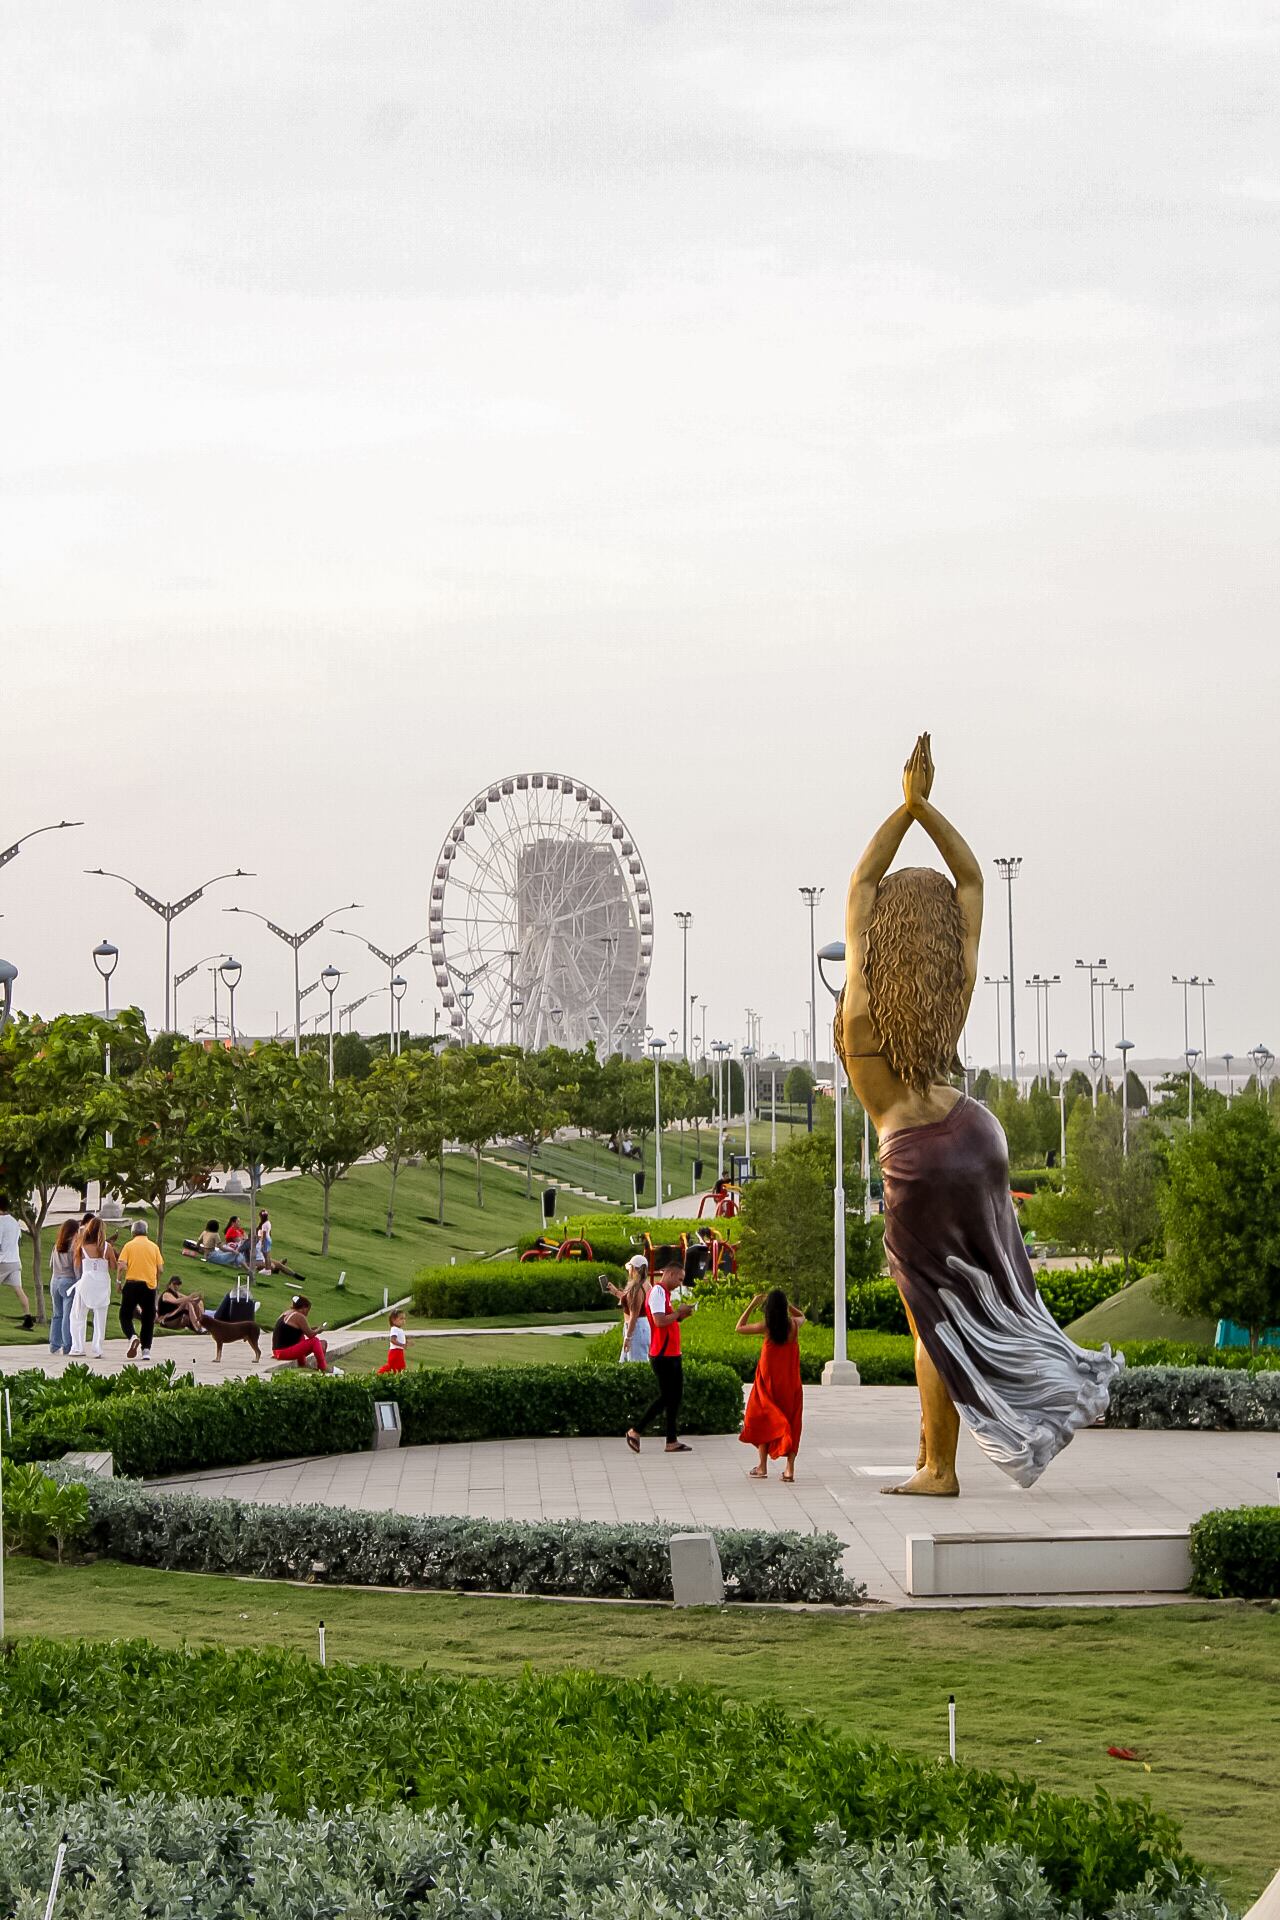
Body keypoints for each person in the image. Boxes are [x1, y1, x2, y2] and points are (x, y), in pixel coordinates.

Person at [838, 733, 1121, 1495]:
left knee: (934, 1318)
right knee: (994, 1297)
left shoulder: (865, 1028)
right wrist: (925, 806)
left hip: (917, 1154)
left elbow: (863, 881)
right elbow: (969, 879)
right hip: (973, 1128)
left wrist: (901, 809)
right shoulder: (949, 994)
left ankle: (938, 1467)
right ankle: (1024, 1387)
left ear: (879, 941)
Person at [625, 1246, 694, 1454]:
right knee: (667, 1396)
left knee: (674, 1396)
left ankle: (671, 1440)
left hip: (672, 1352)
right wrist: (677, 1314)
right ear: (670, 1274)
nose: (680, 1283)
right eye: (680, 1279)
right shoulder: (657, 1292)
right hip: (663, 1354)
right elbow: (659, 1320)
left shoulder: (664, 1294)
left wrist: (681, 1315)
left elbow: (668, 1320)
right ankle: (635, 1430)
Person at [736, 1289, 806, 1482]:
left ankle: (762, 1466)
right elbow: (802, 1316)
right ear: (784, 1308)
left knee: (762, 1419)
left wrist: (753, 1303)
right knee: (792, 1422)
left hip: (767, 1384)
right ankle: (789, 1469)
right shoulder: (794, 1325)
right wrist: (788, 1304)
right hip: (790, 1384)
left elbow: (739, 1327)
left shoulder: (766, 1326)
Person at [115, 1218, 164, 1361]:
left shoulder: (129, 1246)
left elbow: (122, 1265)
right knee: (148, 1318)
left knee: (125, 1314)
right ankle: (146, 1350)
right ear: (146, 1232)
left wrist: (118, 1281)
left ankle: (132, 1336)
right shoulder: (154, 1247)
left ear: (133, 1232)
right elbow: (160, 1269)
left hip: (131, 1284)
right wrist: (155, 1281)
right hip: (149, 1286)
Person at [69, 1215, 117, 1358]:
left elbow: (77, 1264)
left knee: (78, 1315)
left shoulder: (82, 1246)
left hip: (86, 1281)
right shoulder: (107, 1247)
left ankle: (78, 1347)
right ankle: (97, 1348)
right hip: (102, 1282)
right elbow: (113, 1266)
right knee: (100, 1317)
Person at [0, 1198, 36, 1331]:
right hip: (15, 1261)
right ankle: (28, 1319)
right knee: (18, 1290)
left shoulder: (0, 1222)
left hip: (3, 1261)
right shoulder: (14, 1221)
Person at [271, 1294, 331, 1372]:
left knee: (321, 1343)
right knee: (314, 1341)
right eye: (308, 1310)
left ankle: (303, 1363)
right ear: (303, 1308)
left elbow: (296, 1331)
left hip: (277, 1352)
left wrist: (313, 1329)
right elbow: (310, 1335)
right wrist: (319, 1329)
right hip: (283, 1352)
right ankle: (323, 1368)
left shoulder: (287, 1313)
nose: (307, 1313)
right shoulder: (298, 1316)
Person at [48, 1219, 80, 1354]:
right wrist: (79, 1282)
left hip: (55, 1280)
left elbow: (50, 1265)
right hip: (68, 1281)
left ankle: (54, 1345)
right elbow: (76, 1268)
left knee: (57, 1314)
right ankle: (67, 1345)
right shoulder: (74, 1246)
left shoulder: (57, 1245)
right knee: (68, 1315)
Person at [618, 1272, 651, 1364]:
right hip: (639, 1326)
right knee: (626, 1362)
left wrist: (628, 1337)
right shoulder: (645, 1284)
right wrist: (615, 1292)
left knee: (637, 1363)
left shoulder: (637, 1288)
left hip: (636, 1327)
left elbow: (634, 1316)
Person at [377, 1307, 408, 1374]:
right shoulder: (394, 1329)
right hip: (395, 1352)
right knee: (392, 1367)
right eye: (401, 1318)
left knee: (400, 1367)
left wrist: (406, 1343)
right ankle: (379, 1373)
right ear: (393, 1320)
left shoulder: (400, 1329)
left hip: (400, 1351)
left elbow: (400, 1339)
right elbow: (392, 1340)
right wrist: (402, 1345)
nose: (403, 1320)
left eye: (404, 1319)